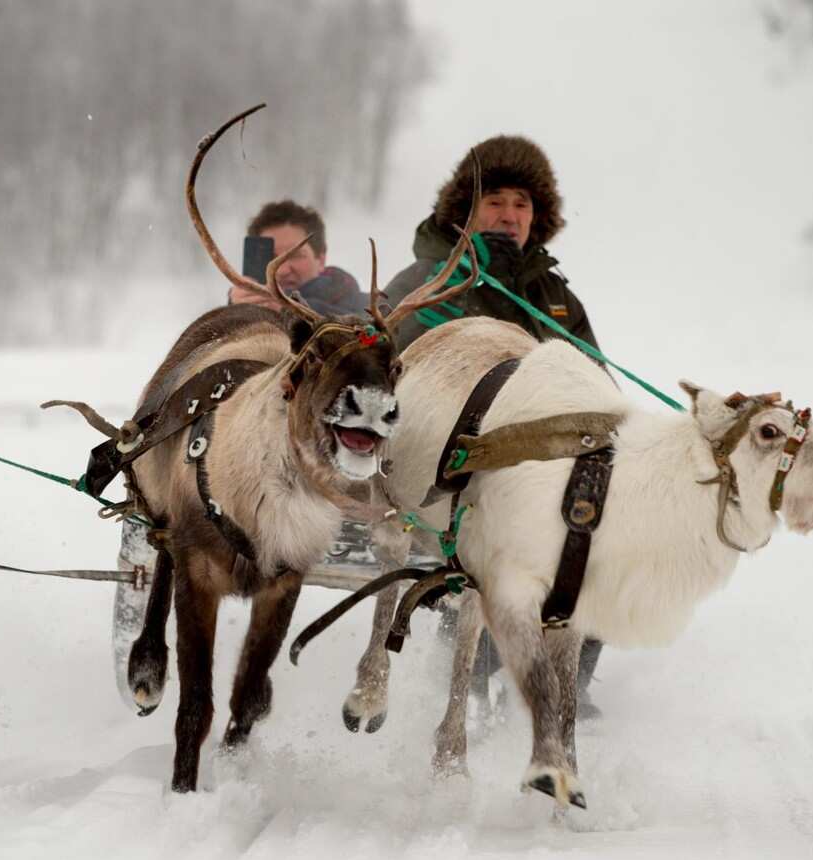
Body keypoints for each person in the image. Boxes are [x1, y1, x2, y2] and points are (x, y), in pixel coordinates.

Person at [383, 134, 606, 715]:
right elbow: (383, 369)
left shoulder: (556, 298)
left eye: (522, 205)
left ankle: (563, 688)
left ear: (540, 218)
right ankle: (468, 681)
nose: (510, 216)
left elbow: (597, 384)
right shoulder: (424, 283)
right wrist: (488, 289)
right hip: (441, 471)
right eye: (496, 202)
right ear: (466, 211)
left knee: (596, 542)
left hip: (539, 472)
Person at [227, 199, 368, 318]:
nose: (282, 270)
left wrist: (289, 308)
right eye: (271, 258)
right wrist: (233, 314)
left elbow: (366, 335)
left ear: (321, 259)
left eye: (295, 255)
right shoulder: (239, 310)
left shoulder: (368, 307)